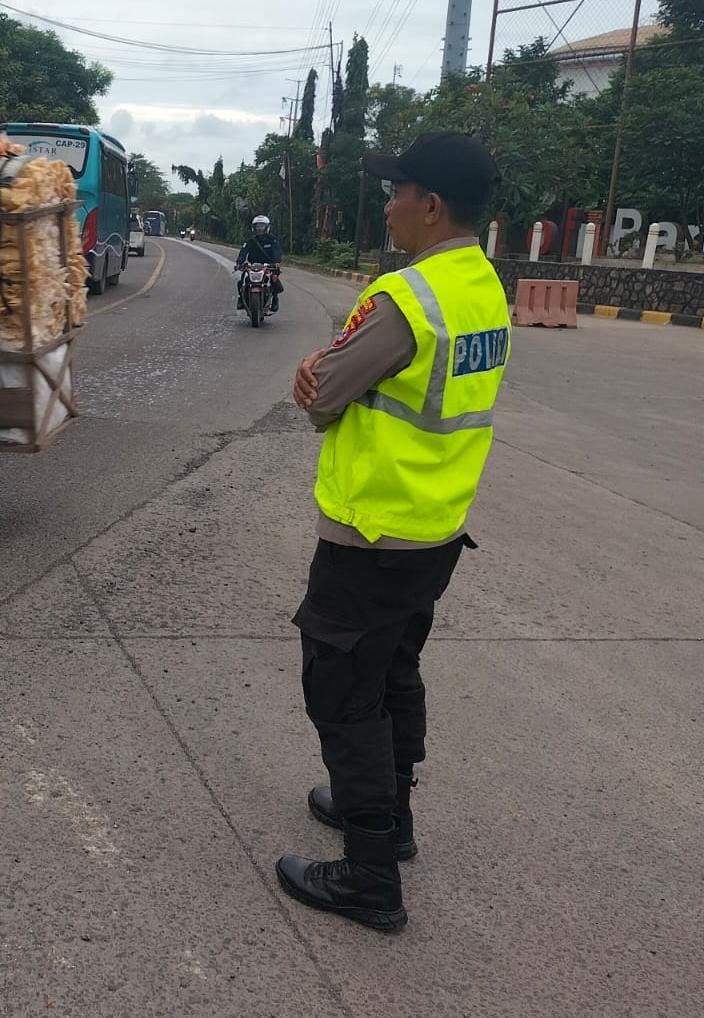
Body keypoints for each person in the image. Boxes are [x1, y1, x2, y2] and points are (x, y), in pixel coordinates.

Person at [278, 131, 509, 932]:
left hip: (372, 532)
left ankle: (369, 876)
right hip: (434, 530)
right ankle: (392, 820)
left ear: (431, 205)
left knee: (344, 692)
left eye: (397, 191)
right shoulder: (482, 286)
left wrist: (317, 376)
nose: (388, 205)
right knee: (393, 674)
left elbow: (323, 395)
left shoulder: (407, 297)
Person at [234, 215, 284, 311]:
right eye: (257, 226)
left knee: (274, 280)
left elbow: (277, 252)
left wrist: (277, 262)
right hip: (253, 266)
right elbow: (243, 252)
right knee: (243, 281)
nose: (259, 229)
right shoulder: (250, 241)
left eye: (262, 226)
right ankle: (241, 299)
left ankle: (275, 299)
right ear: (254, 227)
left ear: (267, 227)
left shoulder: (272, 240)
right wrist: (239, 263)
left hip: (269, 266)